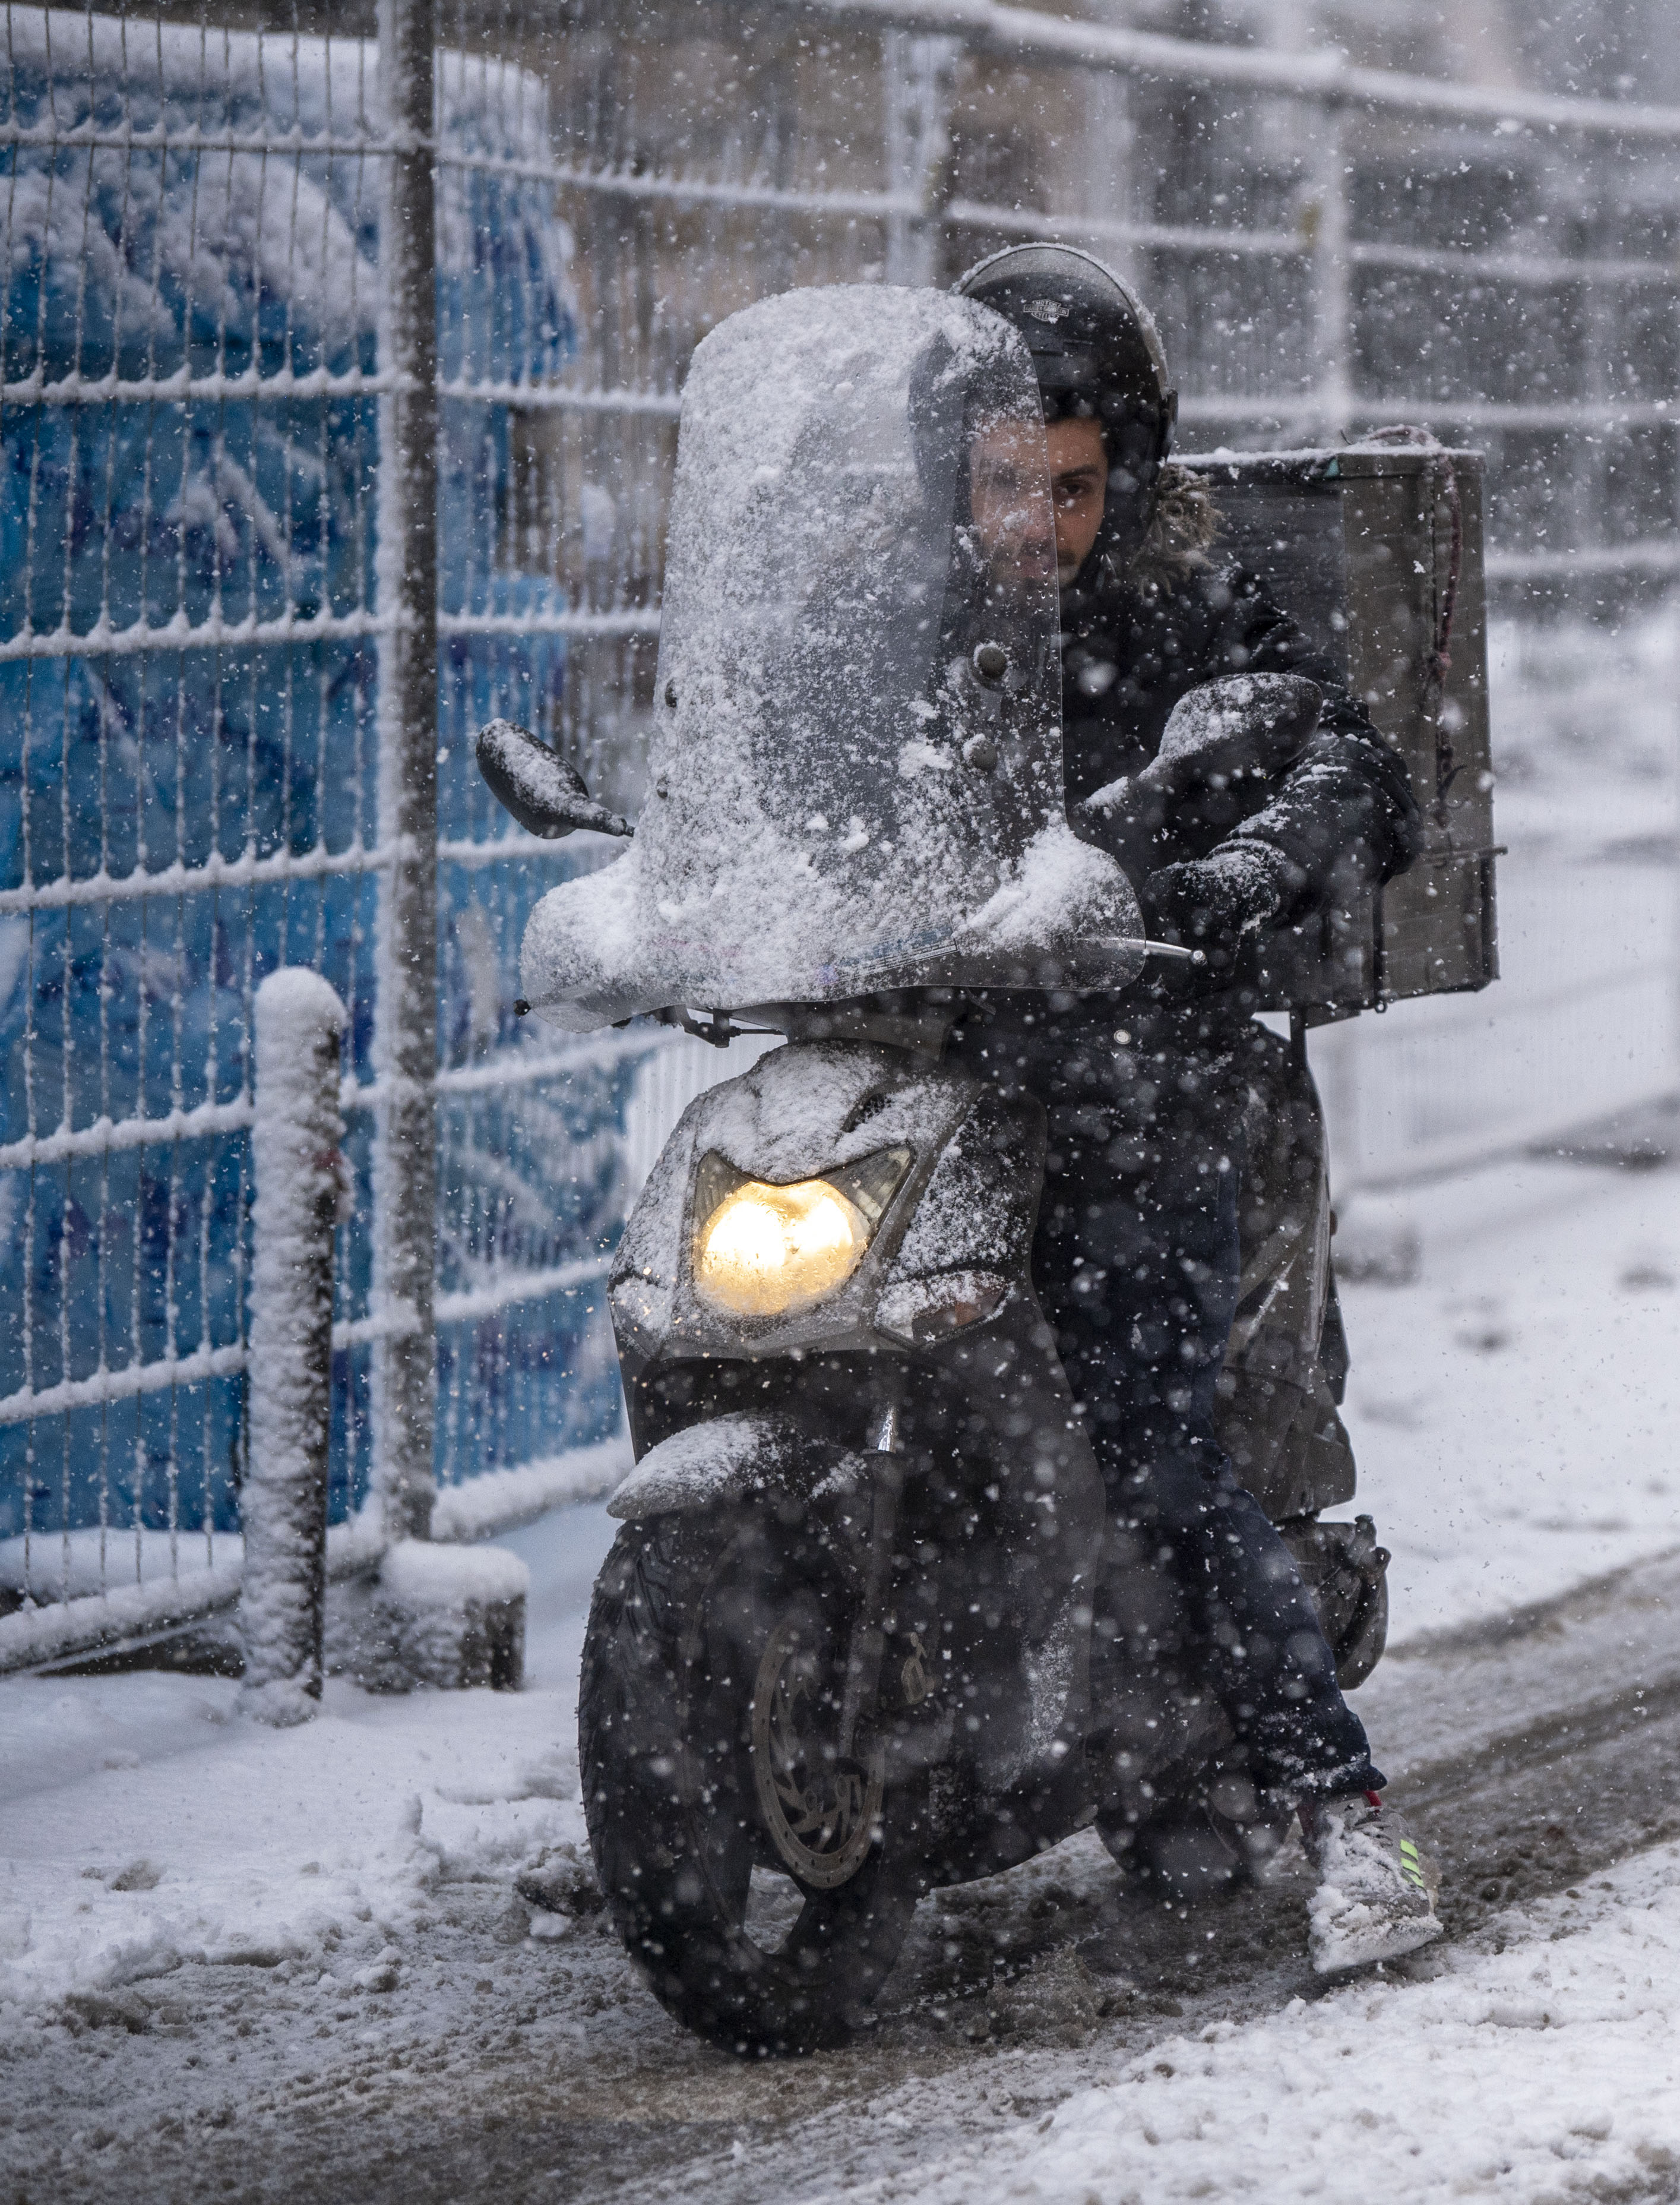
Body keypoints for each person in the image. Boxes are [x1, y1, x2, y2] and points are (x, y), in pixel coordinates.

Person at [950, 244, 1442, 1973]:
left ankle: (1343, 1811)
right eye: (1004, 480)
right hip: (940, 1062)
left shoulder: (1186, 601)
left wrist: (1241, 865)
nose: (1037, 521)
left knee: (1158, 1450)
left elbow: (1351, 759)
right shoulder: (895, 610)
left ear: (1132, 472)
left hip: (1145, 1072)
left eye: (1072, 486)